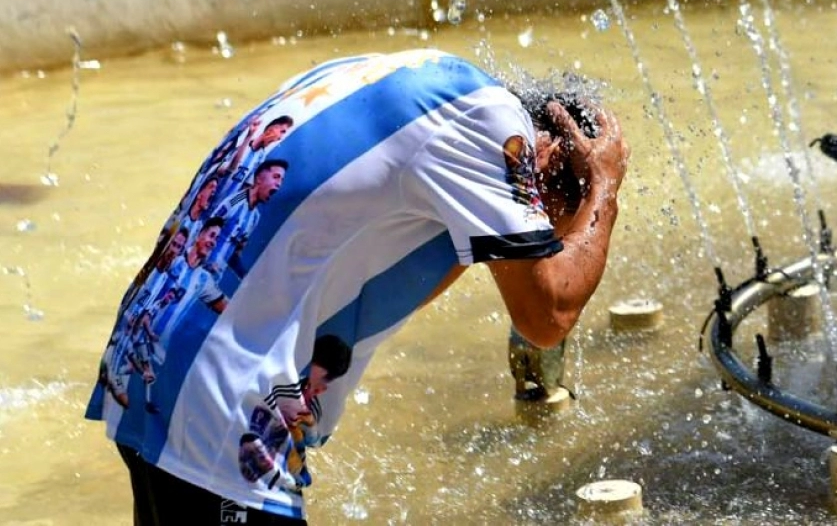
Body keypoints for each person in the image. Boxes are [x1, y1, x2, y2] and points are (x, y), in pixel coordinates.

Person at [85, 49, 629, 525]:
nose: (549, 241)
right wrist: (604, 187)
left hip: (153, 366)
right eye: (559, 229)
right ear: (552, 160)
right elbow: (548, 314)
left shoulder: (402, 83)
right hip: (220, 408)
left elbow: (385, 280)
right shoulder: (492, 123)